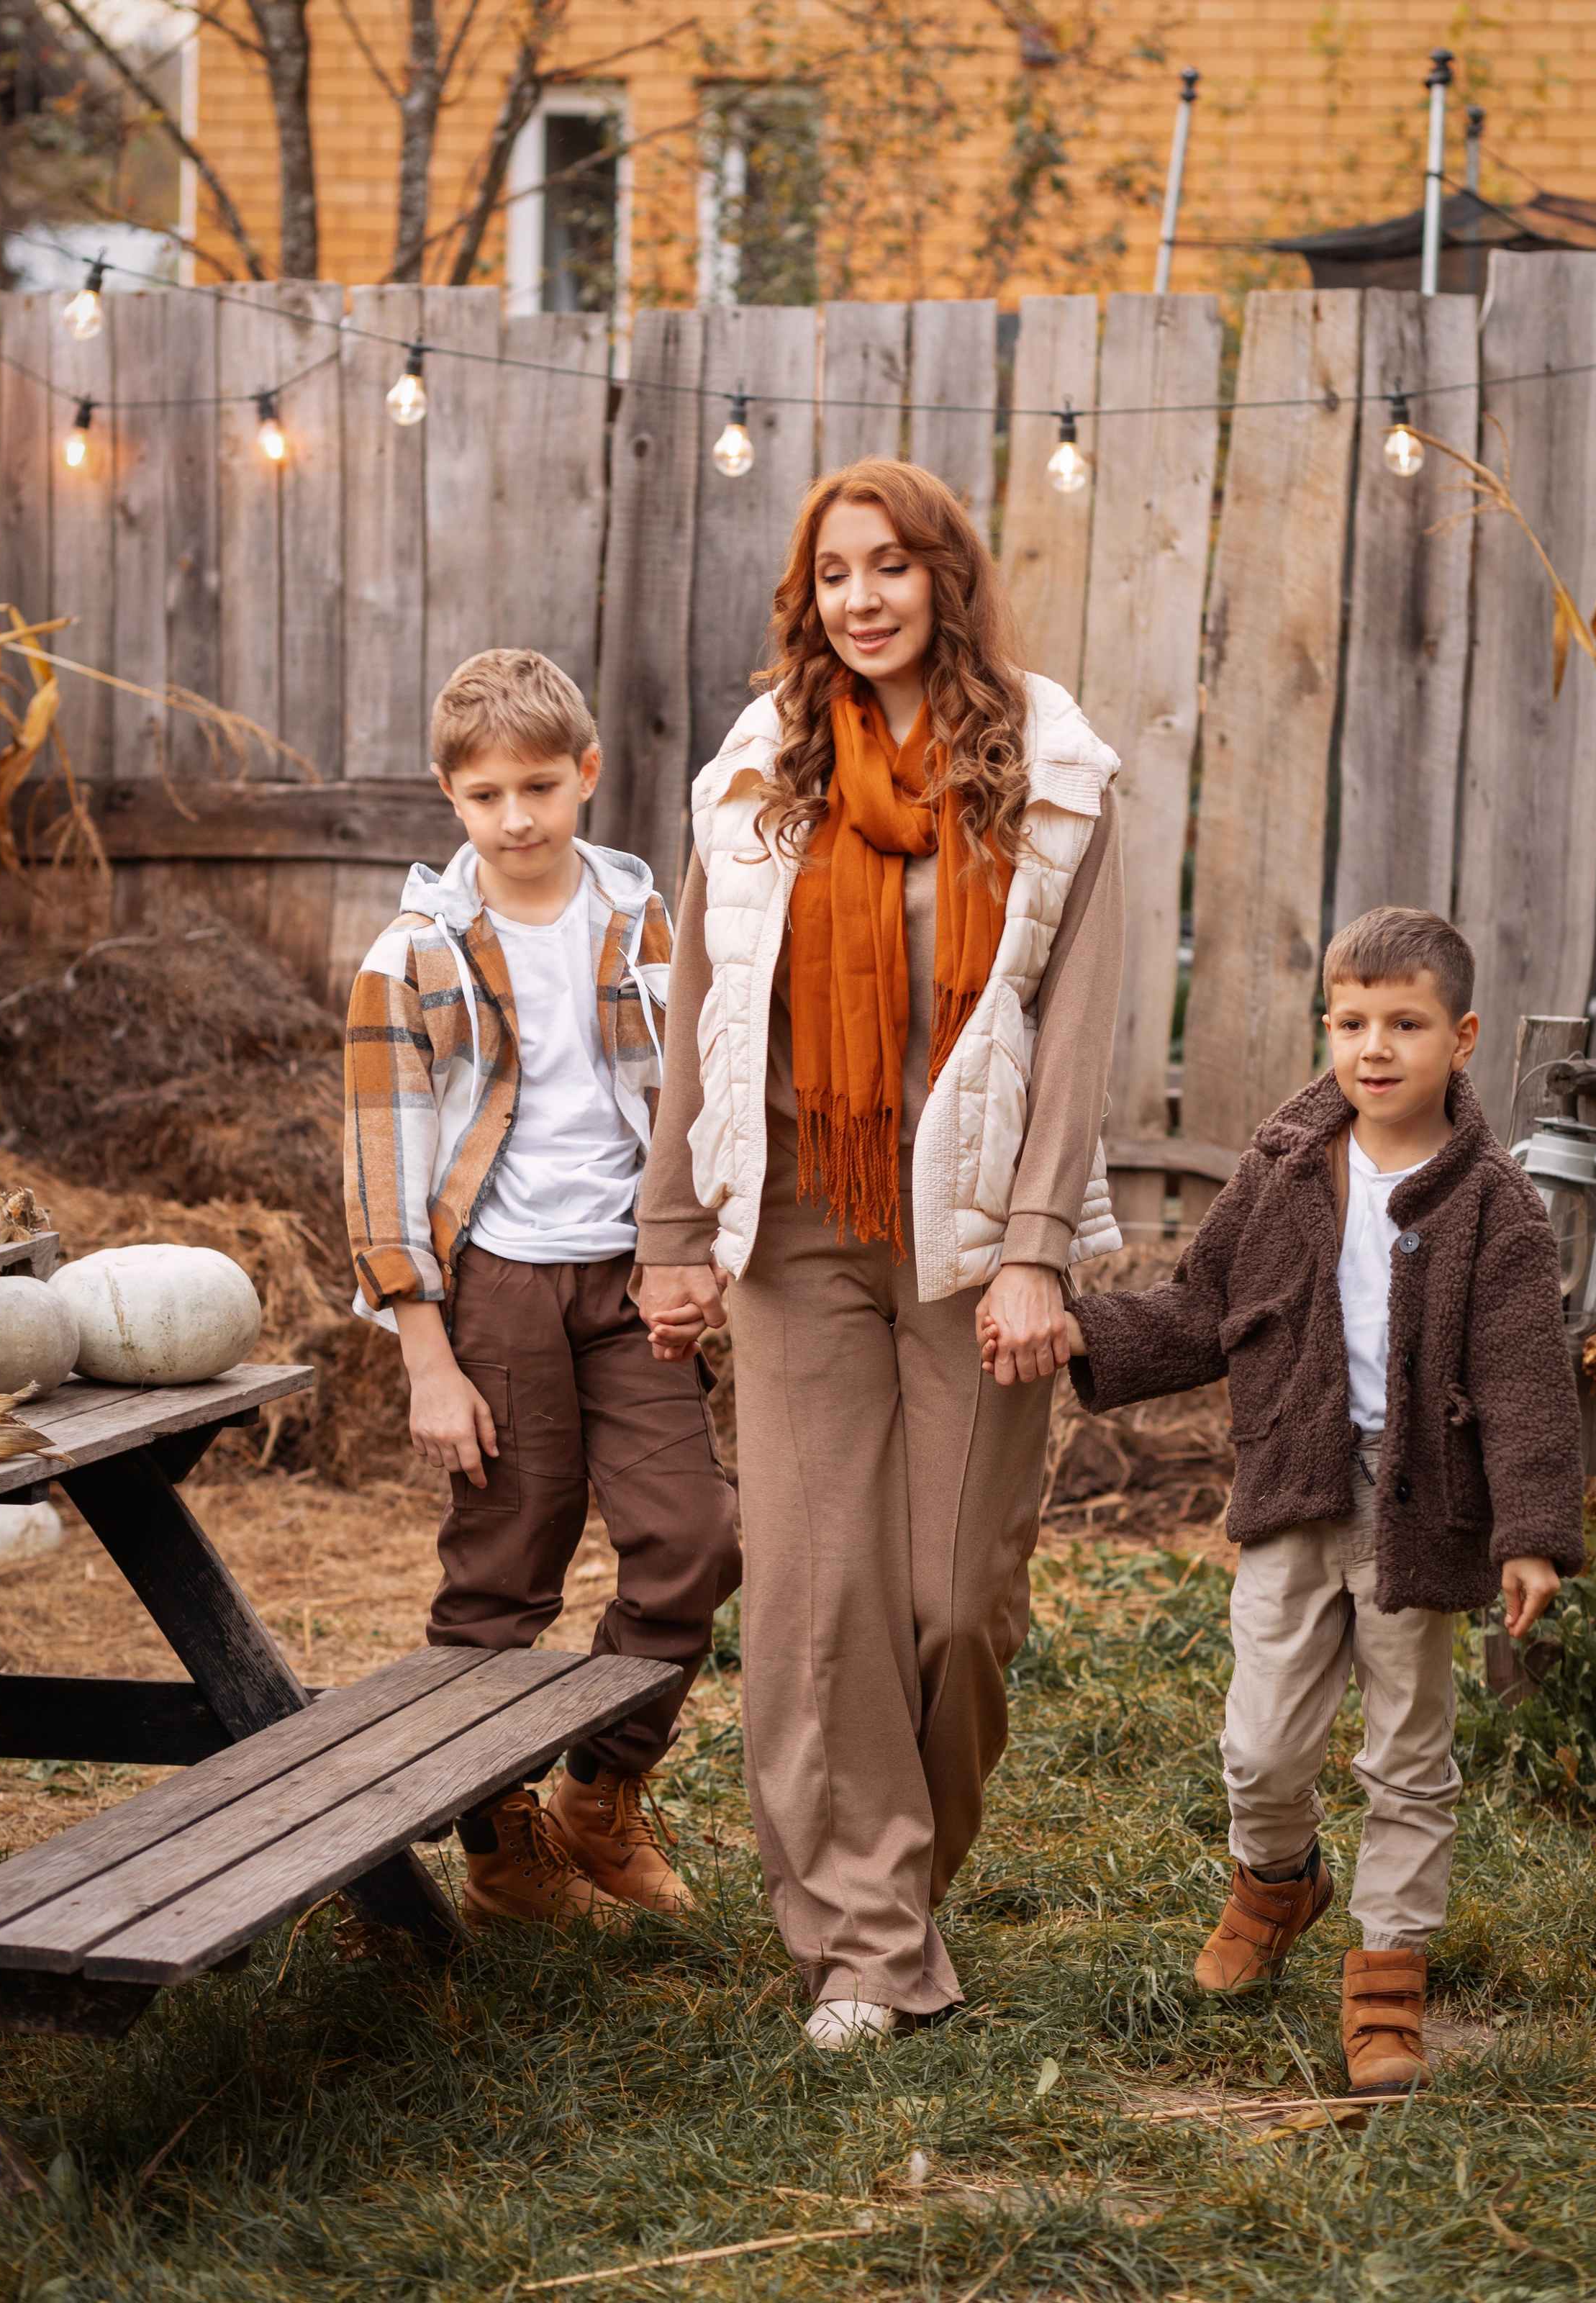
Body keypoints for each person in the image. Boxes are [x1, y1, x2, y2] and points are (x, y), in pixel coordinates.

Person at [636, 459, 1126, 2047]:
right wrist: (671, 1235)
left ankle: (893, 1884)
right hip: (792, 1225)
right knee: (813, 1594)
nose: (859, 598)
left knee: (955, 1597)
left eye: (889, 566)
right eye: (832, 571)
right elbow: (704, 1020)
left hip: (973, 1234)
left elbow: (1072, 1035)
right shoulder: (757, 776)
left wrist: (1039, 1248)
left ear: (946, 580)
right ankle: (860, 1942)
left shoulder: (1046, 775)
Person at [1029, 907, 1583, 2095]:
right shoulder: (1284, 1171)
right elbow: (1200, 1306)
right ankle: (1278, 1882)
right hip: (1294, 1478)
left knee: (1407, 1752)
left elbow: (1528, 1379)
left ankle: (1388, 1981)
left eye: (1405, 1024)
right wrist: (1086, 1327)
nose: (1373, 1048)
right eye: (1350, 1023)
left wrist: (1534, 1532)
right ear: (1325, 1028)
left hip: (1420, 1501)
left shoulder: (1493, 1205)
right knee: (1262, 1746)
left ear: (1463, 1036)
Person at [343, 648, 740, 1929]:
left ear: (588, 774)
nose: (514, 820)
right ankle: (495, 1837)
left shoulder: (653, 927)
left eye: (538, 788)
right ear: (449, 799)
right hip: (498, 1292)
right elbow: (382, 1171)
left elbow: (705, 1100)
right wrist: (427, 1360)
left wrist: (706, 1250)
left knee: (695, 1543)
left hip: (633, 1278)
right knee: (503, 1572)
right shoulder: (412, 960)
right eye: (483, 796)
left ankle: (597, 1792)